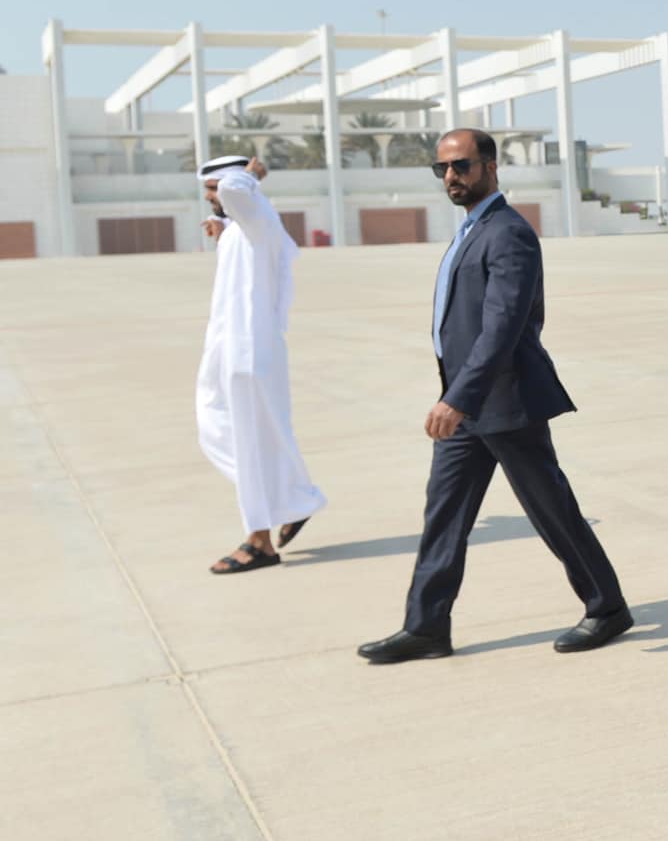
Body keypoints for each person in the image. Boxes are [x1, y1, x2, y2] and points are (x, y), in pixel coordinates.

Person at [357, 129, 634, 664]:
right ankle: (426, 627)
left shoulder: (508, 233)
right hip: (465, 404)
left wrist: (458, 397)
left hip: (505, 402)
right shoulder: (471, 230)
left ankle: (608, 608)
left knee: (551, 510)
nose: (451, 177)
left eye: (461, 166)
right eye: (442, 169)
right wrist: (456, 396)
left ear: (490, 166)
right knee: (444, 514)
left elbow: (502, 327)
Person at [195, 154, 326, 574]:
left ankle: (260, 542)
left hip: (248, 351)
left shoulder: (252, 209)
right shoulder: (244, 223)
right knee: (218, 428)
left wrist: (248, 175)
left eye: (212, 188)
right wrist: (223, 229)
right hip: (231, 347)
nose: (211, 197)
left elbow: (235, 190)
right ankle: (293, 498)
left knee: (251, 442)